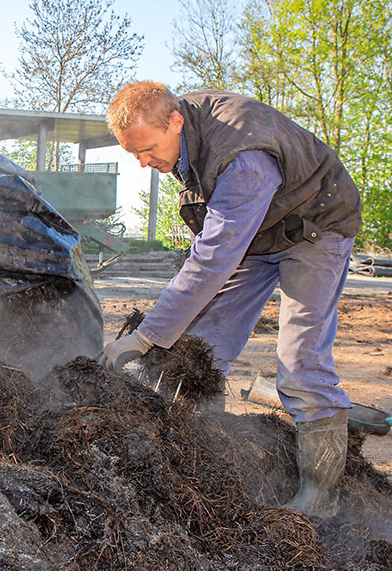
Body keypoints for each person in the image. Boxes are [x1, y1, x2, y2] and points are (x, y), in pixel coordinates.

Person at [97, 81, 361, 518]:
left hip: (315, 226)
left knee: (300, 362)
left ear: (175, 121)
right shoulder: (184, 130)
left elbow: (212, 260)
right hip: (259, 234)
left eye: (148, 149)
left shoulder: (243, 158)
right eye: (134, 154)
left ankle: (320, 498)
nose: (144, 163)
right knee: (202, 347)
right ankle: (200, 456)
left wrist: (144, 338)